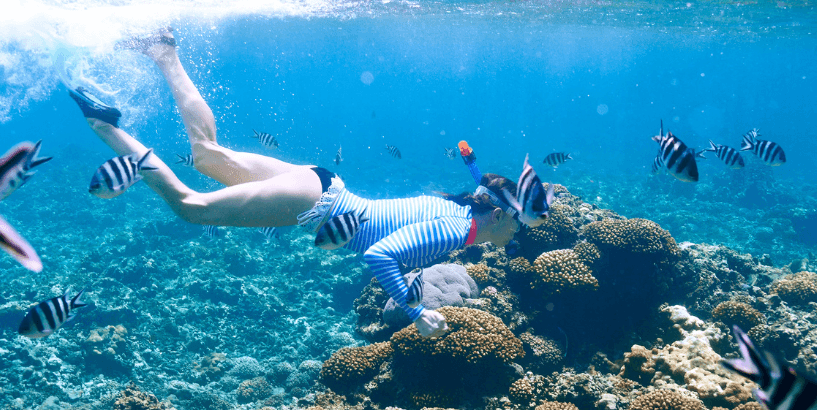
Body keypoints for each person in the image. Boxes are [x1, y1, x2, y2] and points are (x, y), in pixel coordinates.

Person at [68, 28, 525, 338]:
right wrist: (415, 311)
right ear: (498, 214)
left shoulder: (461, 209)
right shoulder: (456, 230)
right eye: (517, 226)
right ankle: (104, 126)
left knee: (208, 153)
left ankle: (164, 51)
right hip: (317, 206)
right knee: (190, 206)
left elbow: (402, 237)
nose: (516, 236)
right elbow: (379, 253)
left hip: (322, 183)